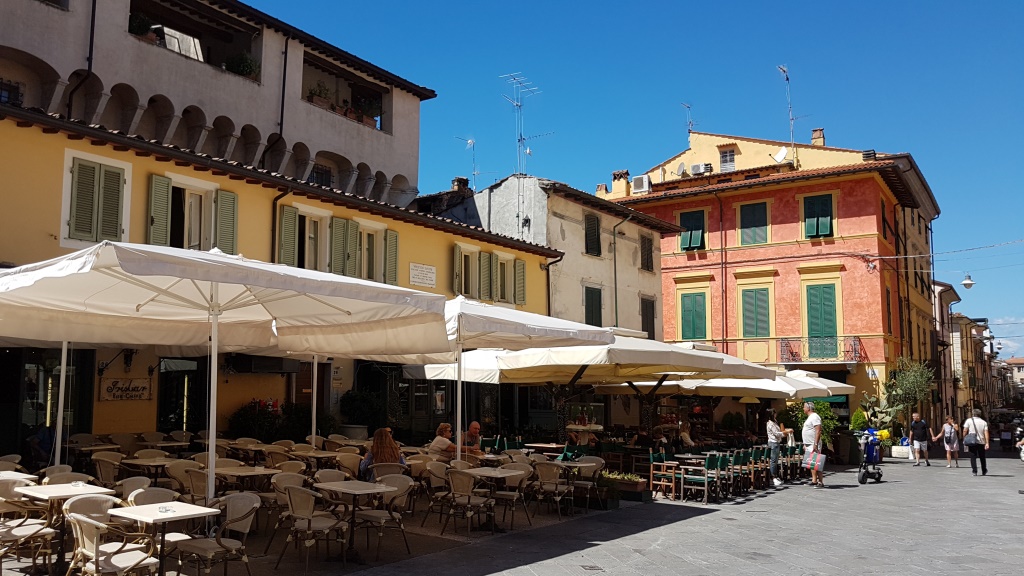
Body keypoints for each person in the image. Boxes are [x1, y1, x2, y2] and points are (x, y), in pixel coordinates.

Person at [802, 402, 824, 488]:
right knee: (812, 463)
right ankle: (814, 480)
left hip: (813, 444)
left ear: (808, 408)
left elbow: (818, 431)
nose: (803, 409)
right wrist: (805, 444)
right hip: (809, 444)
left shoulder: (815, 417)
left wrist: (815, 444)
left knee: (817, 462)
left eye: (804, 407)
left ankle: (820, 481)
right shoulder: (810, 417)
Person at [962, 409, 990, 476]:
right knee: (982, 457)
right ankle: (984, 470)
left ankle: (974, 471)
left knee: (973, 456)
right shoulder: (983, 422)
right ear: (980, 414)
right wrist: (987, 443)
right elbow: (986, 433)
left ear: (973, 414)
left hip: (972, 441)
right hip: (981, 441)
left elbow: (965, 430)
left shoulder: (969, 421)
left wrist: (964, 438)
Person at [765, 409, 787, 487]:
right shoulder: (770, 423)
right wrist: (785, 433)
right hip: (773, 442)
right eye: (774, 413)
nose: (776, 414)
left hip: (776, 442)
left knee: (775, 460)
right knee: (773, 461)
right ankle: (773, 477)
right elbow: (776, 433)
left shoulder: (775, 421)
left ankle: (776, 476)